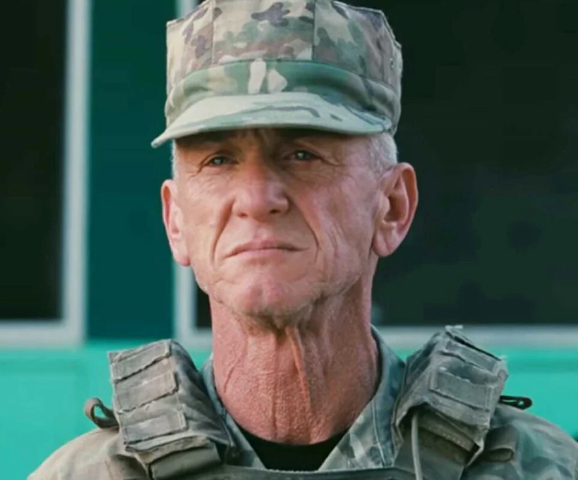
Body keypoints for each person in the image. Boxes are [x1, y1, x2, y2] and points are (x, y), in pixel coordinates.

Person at [30, 0, 578, 479]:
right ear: (176, 221)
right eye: (218, 160)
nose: (257, 198)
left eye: (301, 154)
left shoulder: (536, 467)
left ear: (392, 206)